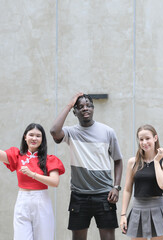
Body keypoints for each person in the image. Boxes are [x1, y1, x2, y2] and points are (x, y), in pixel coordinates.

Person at [50, 92, 123, 240]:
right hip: (79, 195)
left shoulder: (107, 132)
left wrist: (116, 187)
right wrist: (69, 104)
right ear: (75, 112)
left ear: (93, 108)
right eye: (80, 106)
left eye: (89, 105)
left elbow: (118, 161)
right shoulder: (71, 133)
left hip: (104, 195)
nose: (85, 108)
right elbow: (54, 131)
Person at [0, 112, 65, 240]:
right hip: (22, 200)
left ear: (42, 139)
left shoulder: (50, 159)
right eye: (31, 135)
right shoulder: (17, 155)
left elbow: (55, 182)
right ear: (25, 137)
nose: (34, 138)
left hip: (41, 201)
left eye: (38, 136)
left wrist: (33, 174)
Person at [120, 124, 163, 240]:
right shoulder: (133, 162)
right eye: (141, 139)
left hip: (158, 209)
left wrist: (156, 161)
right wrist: (123, 215)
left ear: (155, 138)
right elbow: (127, 189)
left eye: (147, 138)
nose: (144, 142)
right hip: (137, 209)